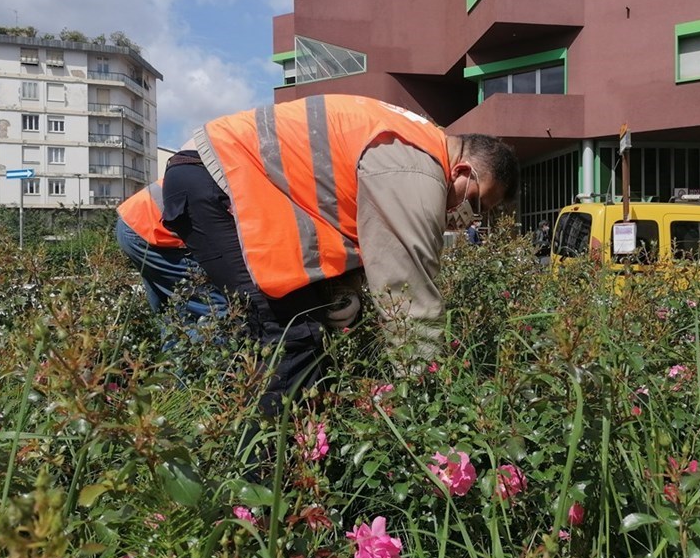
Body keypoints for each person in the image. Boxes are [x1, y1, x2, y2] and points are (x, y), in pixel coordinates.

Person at [159, 94, 518, 416]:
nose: (469, 215)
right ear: (463, 171)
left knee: (299, 327)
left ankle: (284, 440)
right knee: (291, 335)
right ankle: (271, 475)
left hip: (222, 174)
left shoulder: (412, 141)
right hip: (215, 179)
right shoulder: (415, 167)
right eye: (476, 202)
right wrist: (424, 395)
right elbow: (408, 290)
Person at [116, 180, 228, 321]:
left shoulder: (224, 171)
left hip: (135, 221)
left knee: (174, 312)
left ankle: (178, 341)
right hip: (148, 230)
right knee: (215, 309)